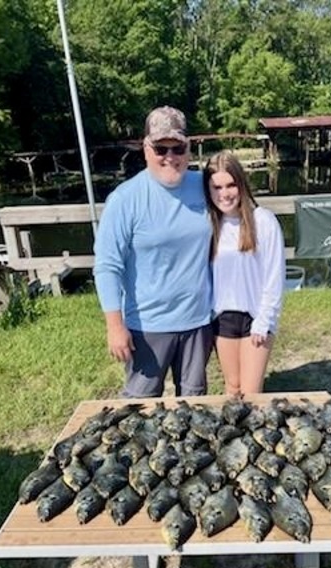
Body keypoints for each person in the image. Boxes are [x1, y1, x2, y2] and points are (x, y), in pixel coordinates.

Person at [94, 106, 213, 398]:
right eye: (161, 148)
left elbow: (243, 220)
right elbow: (108, 266)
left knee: (195, 406)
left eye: (178, 148)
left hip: (199, 321)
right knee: (140, 407)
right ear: (145, 148)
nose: (170, 157)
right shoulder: (124, 199)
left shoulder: (207, 186)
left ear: (189, 148)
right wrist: (115, 326)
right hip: (147, 326)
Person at [203, 150, 285, 395]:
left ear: (241, 184)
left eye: (230, 185)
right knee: (233, 386)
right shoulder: (209, 224)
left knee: (250, 392)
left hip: (255, 317)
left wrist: (264, 321)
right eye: (216, 187)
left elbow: (275, 277)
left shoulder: (264, 221)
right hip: (222, 317)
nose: (224, 194)